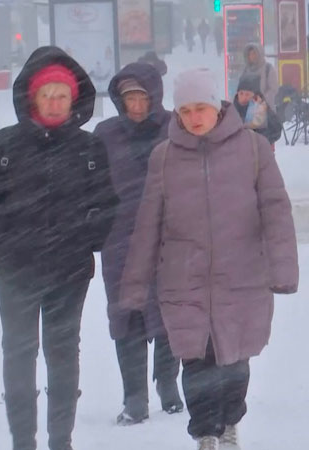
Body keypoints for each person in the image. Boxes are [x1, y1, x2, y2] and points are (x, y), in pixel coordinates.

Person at [119, 68, 299, 450]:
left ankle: (229, 423)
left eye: (200, 107)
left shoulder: (252, 150)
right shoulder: (164, 158)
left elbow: (276, 210)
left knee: (234, 361)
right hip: (184, 281)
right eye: (185, 110)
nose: (193, 117)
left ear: (217, 107)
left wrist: (283, 269)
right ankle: (205, 433)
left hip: (242, 278)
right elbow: (148, 225)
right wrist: (134, 287)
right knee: (196, 361)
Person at [0, 46, 119, 450]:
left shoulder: (89, 149)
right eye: (46, 95)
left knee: (62, 353)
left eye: (62, 95)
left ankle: (61, 440)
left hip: (69, 272)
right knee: (18, 353)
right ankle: (23, 440)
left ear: (73, 99)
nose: (54, 103)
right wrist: (9, 242)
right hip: (14, 270)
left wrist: (86, 240)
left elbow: (106, 204)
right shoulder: (6, 143)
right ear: (32, 98)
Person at [94, 62, 184, 426]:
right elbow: (91, 184)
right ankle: (135, 398)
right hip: (121, 240)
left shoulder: (174, 128)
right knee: (126, 314)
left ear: (154, 97)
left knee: (169, 313)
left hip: (168, 237)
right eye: (128, 97)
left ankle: (168, 385)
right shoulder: (105, 134)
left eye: (141, 97)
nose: (135, 105)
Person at [241, 44, 279, 110]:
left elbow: (274, 89)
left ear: (259, 54)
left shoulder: (268, 68)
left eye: (254, 53)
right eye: (249, 54)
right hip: (248, 111)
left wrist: (261, 99)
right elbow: (241, 87)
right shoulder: (245, 70)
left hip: (265, 109)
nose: (251, 56)